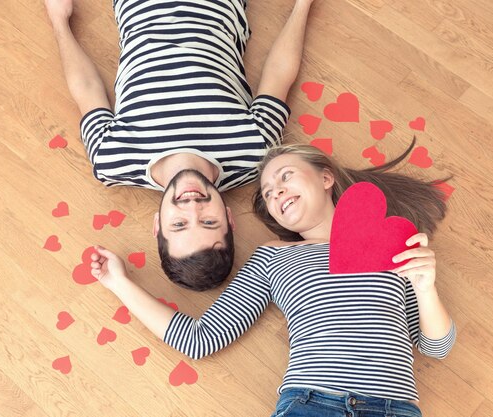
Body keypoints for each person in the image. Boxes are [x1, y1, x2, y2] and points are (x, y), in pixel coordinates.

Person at [90, 140, 456, 417]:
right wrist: (118, 282)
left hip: (395, 408)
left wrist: (426, 288)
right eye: (268, 193)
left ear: (325, 177)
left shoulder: (391, 243)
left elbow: (436, 347)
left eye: (285, 177)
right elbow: (199, 340)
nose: (276, 191)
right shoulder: (273, 256)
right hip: (312, 404)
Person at [45, 0, 315, 290]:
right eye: (209, 222)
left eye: (179, 224)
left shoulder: (112, 159)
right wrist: (303, 5)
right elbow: (279, 74)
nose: (192, 207)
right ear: (228, 218)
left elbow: (86, 87)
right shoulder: (255, 153)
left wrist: (60, 22)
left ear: (158, 225)